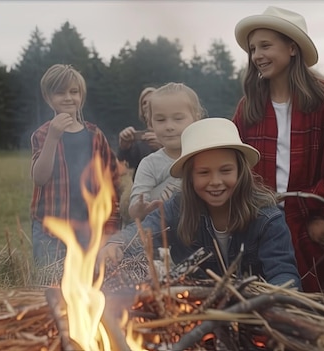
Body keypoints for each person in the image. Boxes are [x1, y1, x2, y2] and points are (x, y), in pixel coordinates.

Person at [232, 6, 324, 293]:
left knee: (319, 317)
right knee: (261, 317)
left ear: (292, 47)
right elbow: (235, 169)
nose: (257, 56)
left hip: (312, 233)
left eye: (266, 45)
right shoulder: (248, 108)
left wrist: (302, 212)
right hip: (257, 231)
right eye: (253, 49)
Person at [101, 118, 301, 289]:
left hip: (255, 318)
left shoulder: (267, 217)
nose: (215, 181)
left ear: (241, 171)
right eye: (204, 173)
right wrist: (116, 244)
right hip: (197, 319)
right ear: (189, 177)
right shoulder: (179, 207)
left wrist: (270, 300)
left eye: (225, 170)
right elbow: (142, 232)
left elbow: (284, 276)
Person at [30, 64, 122, 267]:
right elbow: (40, 178)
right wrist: (53, 137)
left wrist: (111, 227)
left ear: (82, 95)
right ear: (48, 97)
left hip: (88, 228)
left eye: (74, 92)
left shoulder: (95, 135)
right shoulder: (43, 134)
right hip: (50, 231)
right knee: (49, 286)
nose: (68, 98)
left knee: (87, 285)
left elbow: (112, 180)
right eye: (60, 92)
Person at [128, 83, 204, 221]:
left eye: (178, 119)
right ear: (150, 123)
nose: (169, 126)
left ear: (196, 119)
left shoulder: (207, 156)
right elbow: (135, 208)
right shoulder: (149, 164)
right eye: (160, 120)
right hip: (162, 234)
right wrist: (141, 209)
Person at [117, 87, 162, 173]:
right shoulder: (140, 140)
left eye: (151, 101)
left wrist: (163, 148)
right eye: (144, 103)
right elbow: (126, 164)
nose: (148, 105)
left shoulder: (173, 134)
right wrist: (124, 147)